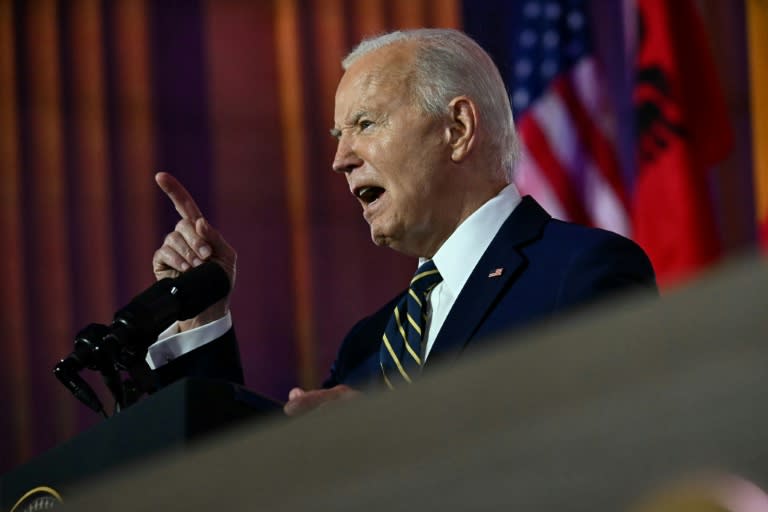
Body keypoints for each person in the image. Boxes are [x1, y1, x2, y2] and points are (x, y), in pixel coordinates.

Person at [148, 28, 656, 416]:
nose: (340, 159)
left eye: (365, 124)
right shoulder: (369, 344)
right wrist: (202, 320)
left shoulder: (582, 272)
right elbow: (250, 484)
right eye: (337, 136)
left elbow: (605, 445)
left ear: (457, 129)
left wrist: (394, 433)